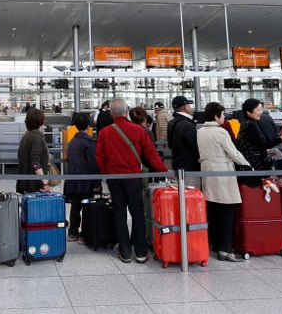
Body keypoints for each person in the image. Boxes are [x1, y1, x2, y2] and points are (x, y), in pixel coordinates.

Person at [96, 98, 167, 264]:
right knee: (137, 213)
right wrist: (165, 171)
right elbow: (151, 155)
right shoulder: (138, 130)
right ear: (126, 112)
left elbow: (100, 158)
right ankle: (141, 252)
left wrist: (107, 174)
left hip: (115, 179)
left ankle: (125, 251)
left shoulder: (105, 133)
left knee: (119, 213)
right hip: (134, 178)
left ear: (112, 114)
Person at [197, 102, 251, 262]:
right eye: (222, 114)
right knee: (227, 212)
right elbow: (233, 152)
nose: (224, 117)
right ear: (216, 116)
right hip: (223, 173)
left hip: (207, 172)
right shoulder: (220, 132)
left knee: (213, 210)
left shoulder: (200, 132)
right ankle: (225, 250)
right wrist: (247, 165)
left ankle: (214, 243)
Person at [235, 98, 282, 186]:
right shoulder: (251, 125)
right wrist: (281, 139)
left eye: (261, 109)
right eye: (258, 110)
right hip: (255, 164)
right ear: (248, 112)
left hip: (248, 162)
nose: (261, 112)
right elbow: (262, 144)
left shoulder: (244, 123)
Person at [63, 113, 101, 243]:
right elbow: (93, 164)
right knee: (87, 206)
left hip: (73, 180)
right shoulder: (89, 143)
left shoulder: (72, 141)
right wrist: (96, 183)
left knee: (75, 206)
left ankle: (72, 232)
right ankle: (84, 234)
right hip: (86, 181)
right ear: (89, 125)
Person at [167, 96, 201, 187]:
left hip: (177, 166)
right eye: (189, 105)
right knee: (191, 196)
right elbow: (195, 147)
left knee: (181, 195)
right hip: (190, 169)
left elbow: (170, 145)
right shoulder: (188, 125)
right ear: (186, 107)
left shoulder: (171, 123)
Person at [16, 108, 52, 194]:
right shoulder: (37, 138)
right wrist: (45, 182)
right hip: (35, 185)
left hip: (25, 182)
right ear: (40, 121)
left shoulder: (26, 136)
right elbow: (35, 163)